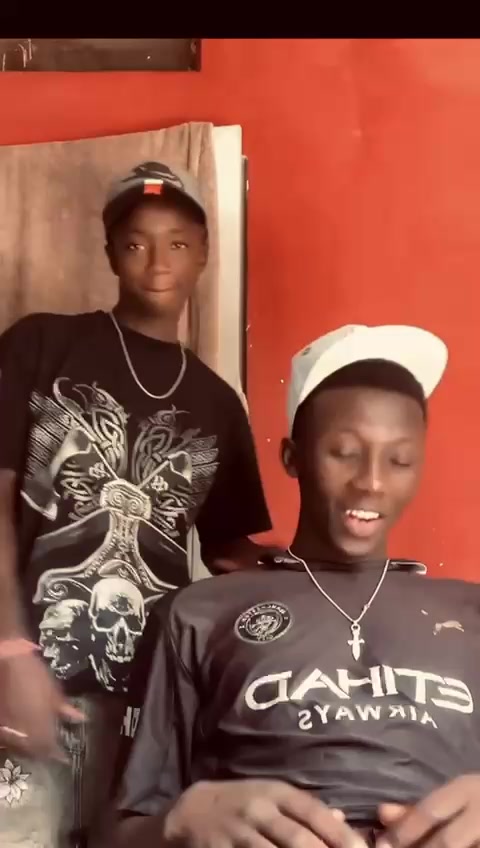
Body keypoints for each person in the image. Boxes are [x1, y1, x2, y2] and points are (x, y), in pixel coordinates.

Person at [112, 322, 480, 848]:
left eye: (400, 460)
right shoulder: (200, 613)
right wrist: (180, 820)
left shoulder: (470, 613)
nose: (372, 482)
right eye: (344, 452)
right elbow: (117, 833)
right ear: (292, 457)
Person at [0, 161, 271, 847]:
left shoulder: (218, 404)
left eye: (177, 242)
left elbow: (228, 554)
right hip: (26, 682)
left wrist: (318, 578)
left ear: (203, 254)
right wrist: (10, 652)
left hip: (145, 711)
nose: (157, 261)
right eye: (136, 242)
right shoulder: (41, 344)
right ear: (110, 253)